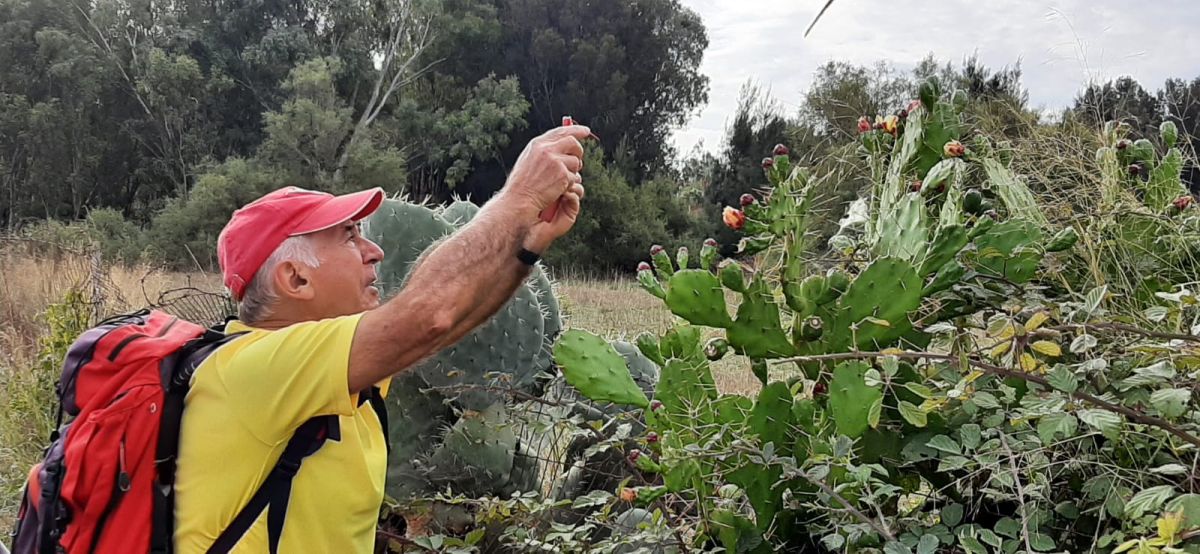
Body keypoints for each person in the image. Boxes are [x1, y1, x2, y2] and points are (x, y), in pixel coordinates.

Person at [172, 123, 592, 552]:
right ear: (295, 278)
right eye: (349, 237)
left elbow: (442, 330)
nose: (374, 251)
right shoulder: (256, 369)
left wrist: (525, 249)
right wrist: (520, 196)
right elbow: (429, 316)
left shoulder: (328, 373)